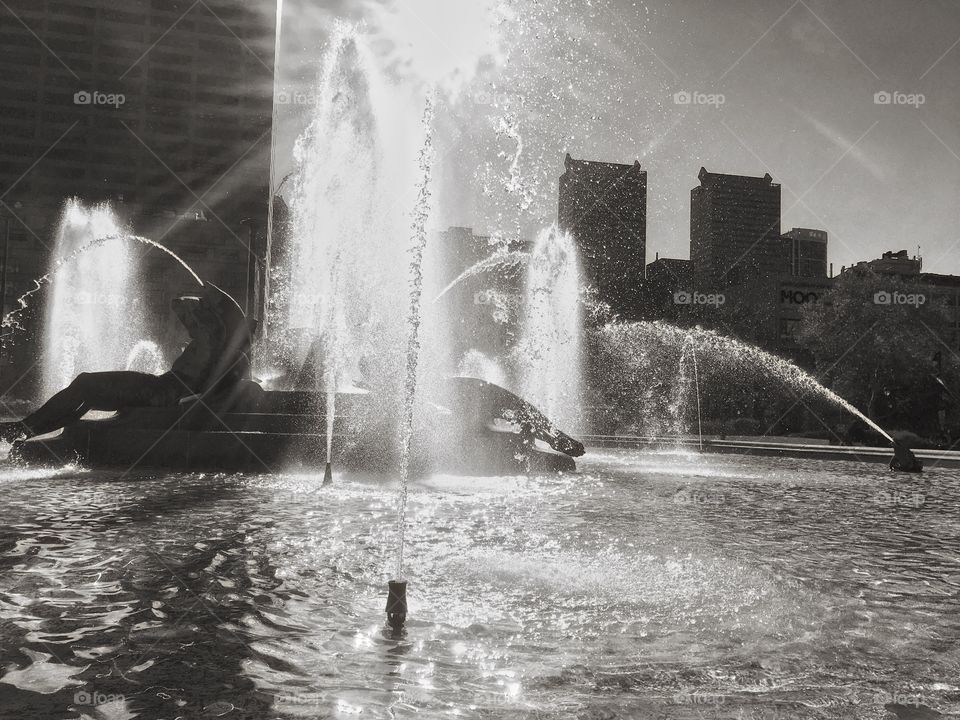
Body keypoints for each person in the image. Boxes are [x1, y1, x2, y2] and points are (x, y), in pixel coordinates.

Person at [0, 283, 252, 442]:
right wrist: (209, 298)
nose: (200, 311)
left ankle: (24, 429)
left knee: (86, 384)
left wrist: (208, 299)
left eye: (208, 308)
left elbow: (181, 305)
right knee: (86, 394)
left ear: (217, 319)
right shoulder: (213, 345)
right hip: (162, 388)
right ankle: (27, 430)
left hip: (162, 392)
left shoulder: (213, 340)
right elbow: (181, 306)